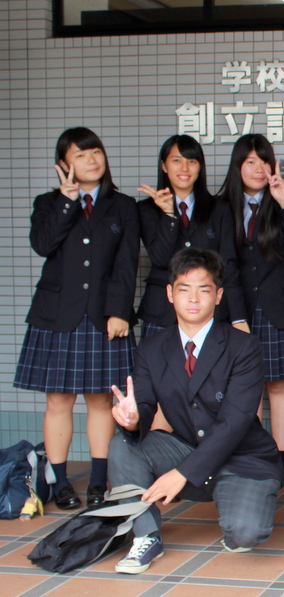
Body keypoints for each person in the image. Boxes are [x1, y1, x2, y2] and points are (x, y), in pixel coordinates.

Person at [107, 248, 284, 574]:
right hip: (186, 446)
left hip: (242, 459)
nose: (193, 298)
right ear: (170, 294)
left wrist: (182, 473)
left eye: (203, 290)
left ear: (217, 296)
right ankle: (146, 536)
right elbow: (144, 405)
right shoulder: (151, 348)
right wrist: (132, 419)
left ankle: (238, 500)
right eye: (184, 289)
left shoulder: (244, 347)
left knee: (245, 533)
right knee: (122, 443)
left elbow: (235, 423)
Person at [14, 127, 140, 510]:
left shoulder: (123, 206)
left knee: (102, 401)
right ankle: (61, 482)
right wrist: (67, 202)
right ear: (64, 164)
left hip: (104, 317)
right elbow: (43, 244)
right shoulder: (48, 203)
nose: (91, 159)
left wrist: (119, 310)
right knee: (58, 402)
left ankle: (98, 482)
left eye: (96, 151)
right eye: (81, 154)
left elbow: (127, 263)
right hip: (56, 317)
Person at [219, 134, 284, 480]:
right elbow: (224, 267)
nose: (258, 168)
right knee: (245, 387)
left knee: (279, 385)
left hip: (282, 306)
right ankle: (253, 455)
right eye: (250, 162)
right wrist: (236, 316)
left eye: (264, 161)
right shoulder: (222, 207)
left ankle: (280, 457)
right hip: (239, 309)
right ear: (238, 167)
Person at [137, 135, 247, 337]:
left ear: (200, 166)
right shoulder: (146, 210)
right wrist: (169, 215)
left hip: (211, 312)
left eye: (192, 161)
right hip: (161, 312)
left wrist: (238, 317)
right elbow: (160, 258)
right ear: (164, 166)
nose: (184, 168)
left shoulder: (219, 210)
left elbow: (229, 266)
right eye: (176, 160)